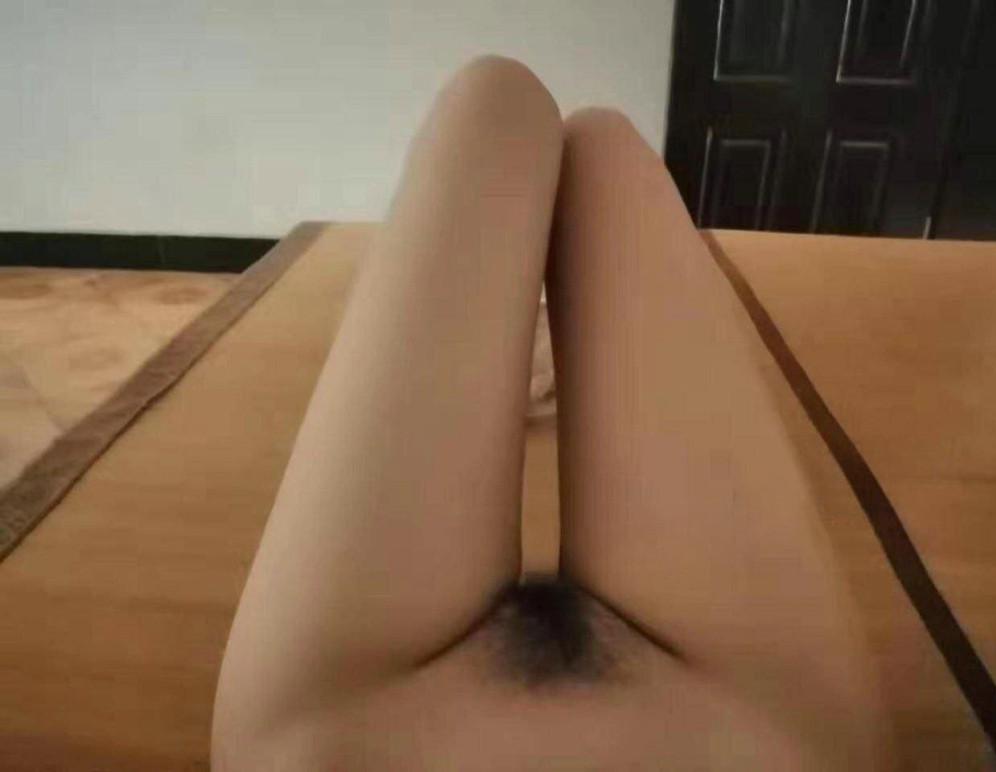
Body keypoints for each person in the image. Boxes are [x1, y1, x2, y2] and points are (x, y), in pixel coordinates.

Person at [212, 56, 885, 770]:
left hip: (338, 735)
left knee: (509, 103)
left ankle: (527, 338)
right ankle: (532, 336)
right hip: (763, 734)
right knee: (590, 138)